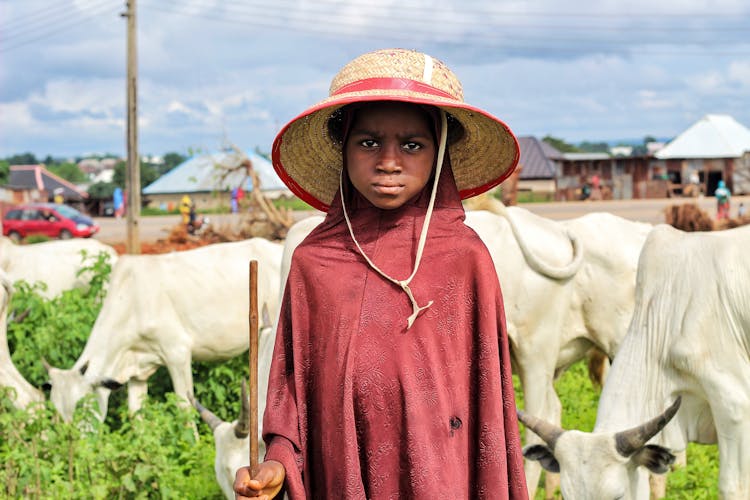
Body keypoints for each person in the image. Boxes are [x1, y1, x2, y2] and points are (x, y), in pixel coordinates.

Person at [234, 48, 527, 499]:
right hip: (342, 474)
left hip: (442, 478)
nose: (389, 162)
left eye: (412, 145)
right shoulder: (315, 263)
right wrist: (276, 463)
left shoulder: (466, 260)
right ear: (343, 148)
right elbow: (291, 398)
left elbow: (488, 408)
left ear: (439, 154)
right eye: (368, 142)